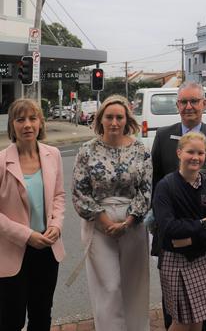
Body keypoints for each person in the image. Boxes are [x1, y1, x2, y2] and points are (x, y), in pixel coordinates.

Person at [151, 81, 206, 330]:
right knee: (174, 301)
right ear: (177, 105)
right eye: (184, 102)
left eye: (194, 101)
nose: (189, 107)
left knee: (205, 301)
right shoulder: (163, 136)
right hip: (171, 235)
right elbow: (156, 180)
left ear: (204, 104)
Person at [72, 95, 152, 331]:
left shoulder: (141, 149)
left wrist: (129, 221)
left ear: (127, 119)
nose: (114, 122)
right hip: (98, 225)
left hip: (133, 224)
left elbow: (146, 190)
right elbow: (80, 190)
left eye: (119, 117)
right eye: (109, 117)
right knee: (108, 286)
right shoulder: (87, 150)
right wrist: (103, 219)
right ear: (101, 119)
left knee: (134, 285)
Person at [0, 99, 65, 331]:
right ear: (12, 125)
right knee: (11, 319)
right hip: (12, 250)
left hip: (47, 247)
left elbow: (58, 195)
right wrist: (27, 236)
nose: (27, 125)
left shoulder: (53, 154)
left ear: (40, 123)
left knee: (41, 314)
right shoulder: (1, 160)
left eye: (32, 118)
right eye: (20, 119)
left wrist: (56, 225)